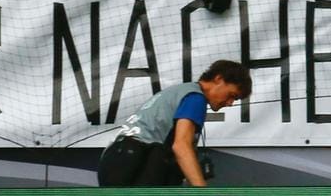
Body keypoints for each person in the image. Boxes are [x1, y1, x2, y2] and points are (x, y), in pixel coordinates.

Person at [98, 60, 252, 187]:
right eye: (232, 95)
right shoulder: (195, 98)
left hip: (115, 158)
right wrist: (202, 192)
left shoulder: (180, 91)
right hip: (134, 160)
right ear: (218, 79)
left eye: (235, 100)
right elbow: (181, 146)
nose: (231, 103)